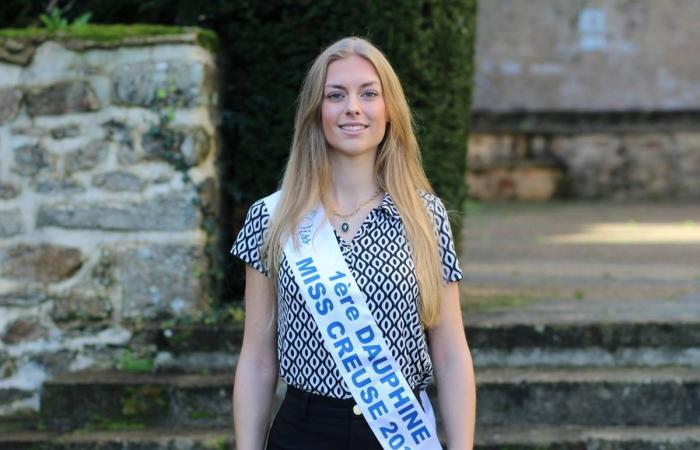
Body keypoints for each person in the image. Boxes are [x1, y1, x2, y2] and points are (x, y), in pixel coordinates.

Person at [231, 36, 476, 450]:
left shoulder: (425, 216)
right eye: (335, 95)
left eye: (369, 93)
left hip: (400, 432)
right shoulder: (272, 219)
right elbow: (256, 359)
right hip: (303, 432)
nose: (353, 108)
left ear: (389, 110)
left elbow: (451, 352)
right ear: (316, 112)